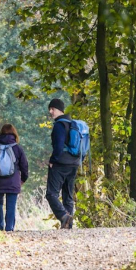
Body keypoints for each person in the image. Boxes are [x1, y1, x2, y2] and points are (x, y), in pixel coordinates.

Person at [46, 98, 80, 229]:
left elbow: (59, 146)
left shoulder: (59, 125)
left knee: (51, 194)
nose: (50, 112)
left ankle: (63, 216)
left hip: (61, 164)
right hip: (74, 164)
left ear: (57, 109)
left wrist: (53, 161)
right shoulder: (72, 124)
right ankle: (68, 225)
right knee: (68, 195)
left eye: (52, 109)